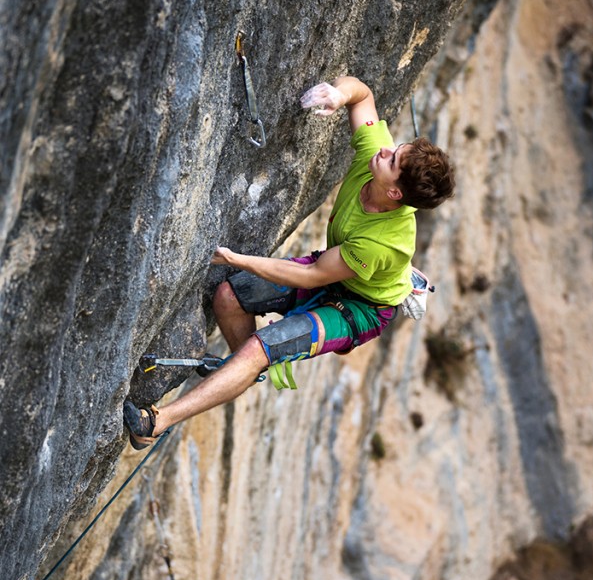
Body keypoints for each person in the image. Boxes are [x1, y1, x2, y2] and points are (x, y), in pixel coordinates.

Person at [124, 77, 455, 448]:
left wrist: (237, 259)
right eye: (396, 148)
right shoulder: (374, 158)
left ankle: (154, 423)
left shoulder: (383, 242)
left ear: (395, 192)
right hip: (338, 270)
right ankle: (246, 369)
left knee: (258, 349)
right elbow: (362, 94)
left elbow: (311, 275)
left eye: (393, 159)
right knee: (227, 297)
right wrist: (338, 93)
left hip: (360, 308)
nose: (386, 151)